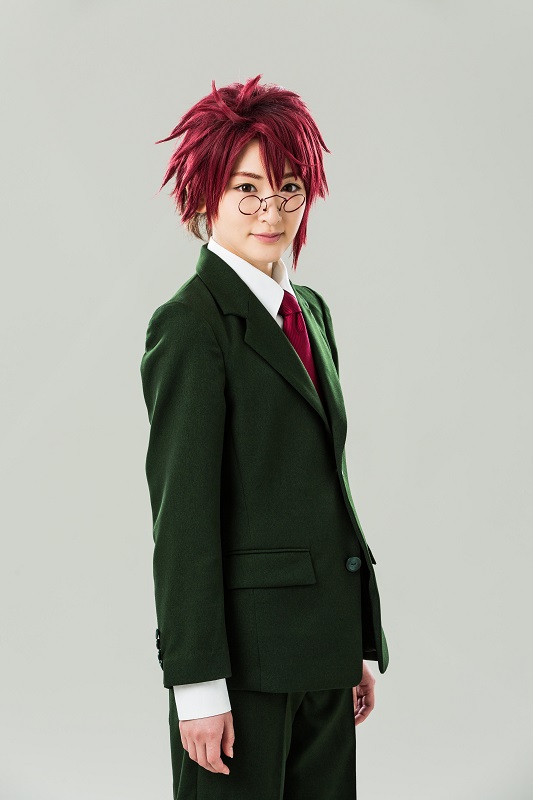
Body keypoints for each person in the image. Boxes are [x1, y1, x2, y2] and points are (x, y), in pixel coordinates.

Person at [140, 73, 389, 800]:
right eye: (245, 189)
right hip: (242, 668)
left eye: (287, 188)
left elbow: (320, 489)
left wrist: (351, 643)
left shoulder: (310, 310)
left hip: (321, 653)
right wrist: (196, 687)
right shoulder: (191, 325)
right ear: (205, 197)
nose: (271, 210)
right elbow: (182, 520)